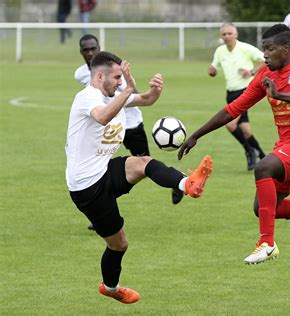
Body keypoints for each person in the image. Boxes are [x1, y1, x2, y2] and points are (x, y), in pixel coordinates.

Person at [178, 24, 290, 265]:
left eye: (269, 49)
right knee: (266, 208)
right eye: (263, 49)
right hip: (287, 144)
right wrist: (197, 134)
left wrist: (280, 95)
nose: (264, 54)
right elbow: (234, 109)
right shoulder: (265, 76)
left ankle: (267, 244)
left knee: (263, 167)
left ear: (286, 48)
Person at [66, 51, 213, 303]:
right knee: (119, 244)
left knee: (143, 163)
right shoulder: (87, 97)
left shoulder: (113, 94)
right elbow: (102, 116)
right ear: (99, 76)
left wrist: (155, 89)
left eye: (121, 78)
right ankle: (110, 288)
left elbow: (146, 99)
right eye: (116, 77)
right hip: (87, 187)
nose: (119, 82)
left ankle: (187, 184)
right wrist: (127, 89)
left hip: (103, 169)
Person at [74, 35, 184, 221]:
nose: (90, 52)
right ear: (81, 52)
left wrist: (153, 90)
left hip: (130, 125)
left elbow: (138, 96)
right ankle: (101, 209)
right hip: (104, 130)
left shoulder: (116, 73)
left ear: (99, 47)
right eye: (86, 50)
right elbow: (97, 108)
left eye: (93, 48)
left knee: (145, 164)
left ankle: (176, 180)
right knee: (103, 167)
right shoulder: (81, 75)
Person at [208, 23, 266, 171]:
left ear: (236, 34)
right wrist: (212, 71)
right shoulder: (220, 51)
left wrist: (252, 72)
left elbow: (265, 59)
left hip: (246, 92)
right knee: (246, 131)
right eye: (224, 34)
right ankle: (264, 157)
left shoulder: (245, 48)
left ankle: (249, 151)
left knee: (230, 124)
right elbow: (214, 68)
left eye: (229, 33)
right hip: (231, 93)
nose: (227, 36)